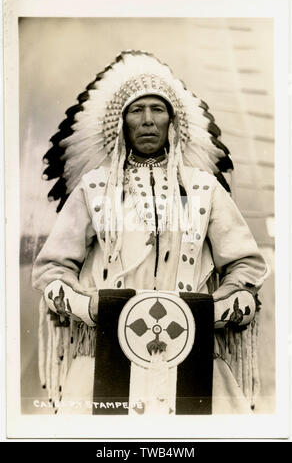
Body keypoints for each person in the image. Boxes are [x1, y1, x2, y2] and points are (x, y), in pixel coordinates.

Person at [32, 50, 269, 415]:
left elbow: (246, 269)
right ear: (121, 121)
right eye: (136, 110)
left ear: (173, 121)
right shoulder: (94, 189)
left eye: (158, 110)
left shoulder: (204, 189)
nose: (147, 121)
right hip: (106, 355)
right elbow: (52, 272)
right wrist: (91, 306)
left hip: (192, 354)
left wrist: (215, 308)